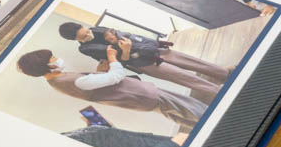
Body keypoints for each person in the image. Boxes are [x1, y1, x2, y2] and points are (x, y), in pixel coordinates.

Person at [16, 47, 206, 128]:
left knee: (182, 115)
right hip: (142, 95)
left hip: (141, 98)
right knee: (193, 111)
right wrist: (113, 58)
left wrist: (99, 73)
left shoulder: (58, 81)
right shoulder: (68, 82)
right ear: (45, 65)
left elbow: (96, 85)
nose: (57, 59)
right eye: (52, 58)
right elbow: (116, 77)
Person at [59, 23, 226, 104]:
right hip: (142, 62)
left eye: (87, 30)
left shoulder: (97, 29)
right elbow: (118, 59)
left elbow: (124, 35)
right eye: (84, 36)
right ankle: (218, 91)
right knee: (181, 76)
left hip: (149, 48)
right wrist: (126, 50)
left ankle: (224, 74)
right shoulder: (87, 49)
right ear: (76, 39)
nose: (89, 34)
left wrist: (152, 43)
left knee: (190, 61)